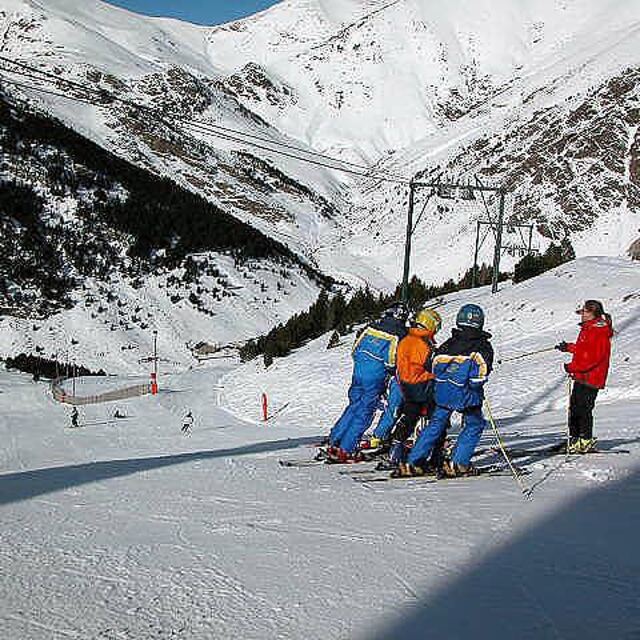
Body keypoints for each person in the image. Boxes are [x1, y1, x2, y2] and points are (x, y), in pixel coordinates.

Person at [396, 303, 494, 478]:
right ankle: (458, 463)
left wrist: (444, 379)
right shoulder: (482, 346)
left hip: (442, 392)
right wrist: (474, 387)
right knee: (474, 423)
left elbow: (432, 365)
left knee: (436, 424)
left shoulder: (449, 344)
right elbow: (479, 375)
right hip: (465, 393)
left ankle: (413, 462)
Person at [327, 303, 407, 462]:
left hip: (358, 373)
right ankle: (347, 448)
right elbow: (390, 361)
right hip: (375, 378)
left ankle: (334, 440)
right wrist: (389, 371)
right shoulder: (398, 334)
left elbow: (355, 349)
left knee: (353, 406)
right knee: (364, 412)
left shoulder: (370, 328)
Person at [385, 307, 442, 469]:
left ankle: (396, 447)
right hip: (423, 385)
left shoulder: (406, 339)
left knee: (409, 416)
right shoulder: (424, 343)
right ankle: (429, 451)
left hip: (406, 385)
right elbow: (431, 366)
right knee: (434, 417)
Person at [555, 299, 613, 453]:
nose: (582, 315)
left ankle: (586, 439)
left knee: (584, 408)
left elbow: (592, 357)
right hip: (583, 376)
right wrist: (568, 347)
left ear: (593, 313)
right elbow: (583, 349)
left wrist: (572, 367)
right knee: (574, 407)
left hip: (592, 377)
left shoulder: (599, 331)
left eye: (585, 312)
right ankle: (574, 438)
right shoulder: (589, 328)